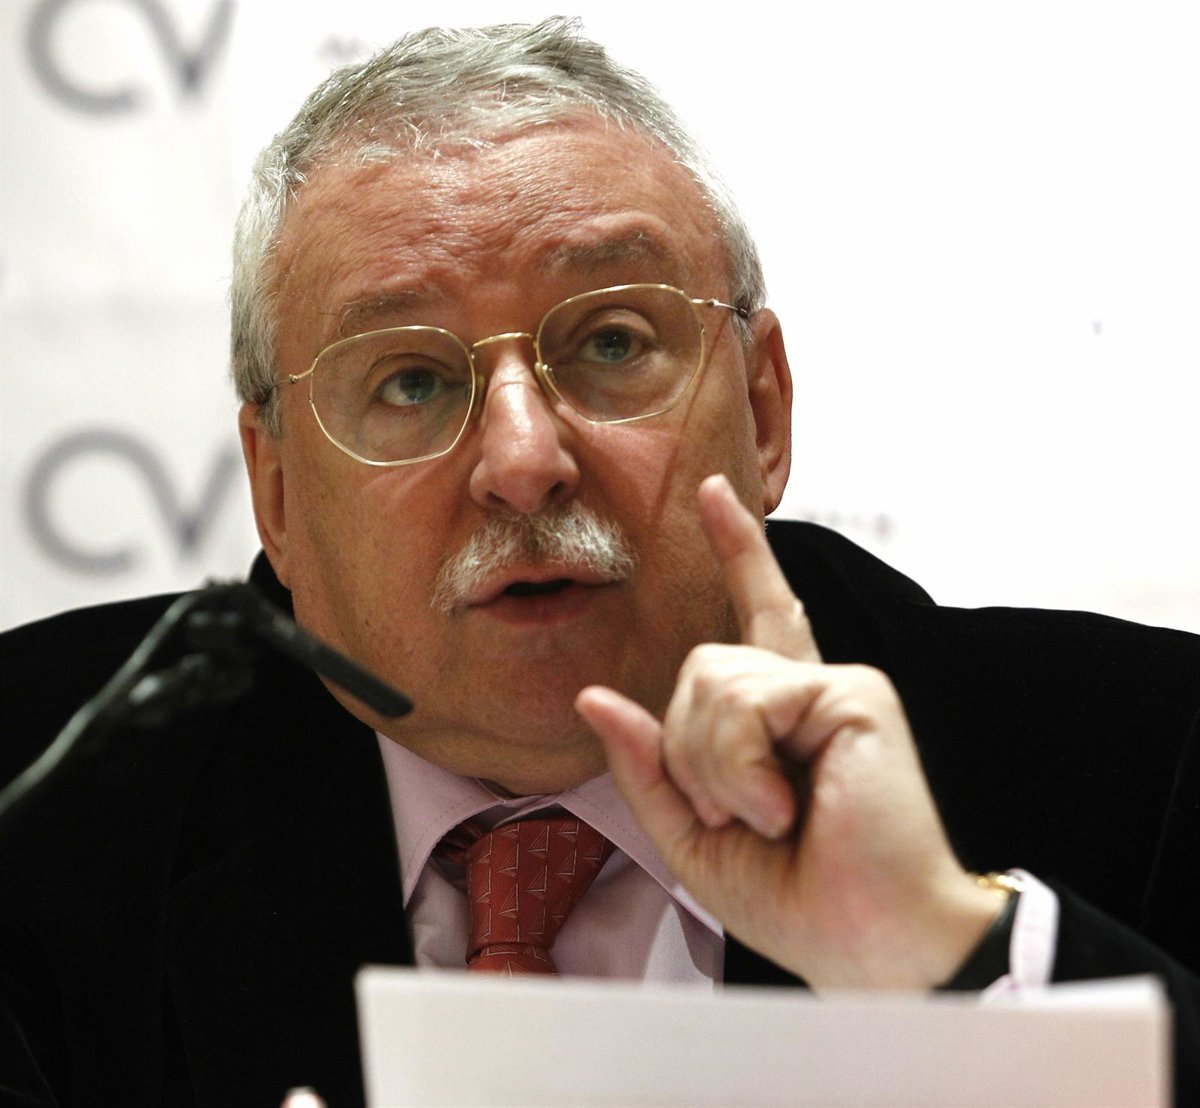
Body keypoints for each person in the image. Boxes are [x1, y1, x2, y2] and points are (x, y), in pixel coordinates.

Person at [2, 17, 1197, 1108]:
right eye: (410, 381)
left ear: (764, 411)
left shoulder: (1144, 758)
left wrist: (945, 942)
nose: (524, 461)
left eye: (612, 343)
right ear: (275, 491)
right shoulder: (41, 807)